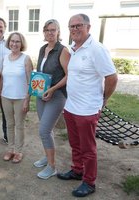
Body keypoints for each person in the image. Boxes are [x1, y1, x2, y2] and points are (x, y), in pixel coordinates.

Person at [57, 14, 118, 197]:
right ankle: (77, 170)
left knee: (88, 148)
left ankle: (89, 182)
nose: (74, 29)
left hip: (87, 110)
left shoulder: (97, 49)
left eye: (78, 25)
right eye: (71, 26)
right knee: (75, 144)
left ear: (88, 27)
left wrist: (103, 99)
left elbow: (112, 78)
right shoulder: (74, 49)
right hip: (71, 107)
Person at [34, 19, 70, 179]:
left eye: (53, 30)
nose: (50, 32)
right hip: (41, 95)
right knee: (46, 130)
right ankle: (47, 157)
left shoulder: (63, 51)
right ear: (44, 32)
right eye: (47, 30)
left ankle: (52, 166)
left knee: (44, 130)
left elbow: (70, 75)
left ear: (58, 32)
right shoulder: (43, 49)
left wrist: (53, 89)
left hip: (57, 95)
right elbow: (40, 72)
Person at [0, 32, 33, 163]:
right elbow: (1, 79)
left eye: (17, 41)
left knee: (19, 125)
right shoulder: (5, 58)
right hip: (6, 97)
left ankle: (19, 151)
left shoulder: (26, 59)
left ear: (21, 43)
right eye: (12, 41)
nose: (14, 44)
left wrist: (27, 100)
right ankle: (10, 149)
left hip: (20, 98)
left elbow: (30, 81)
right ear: (9, 42)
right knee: (9, 124)